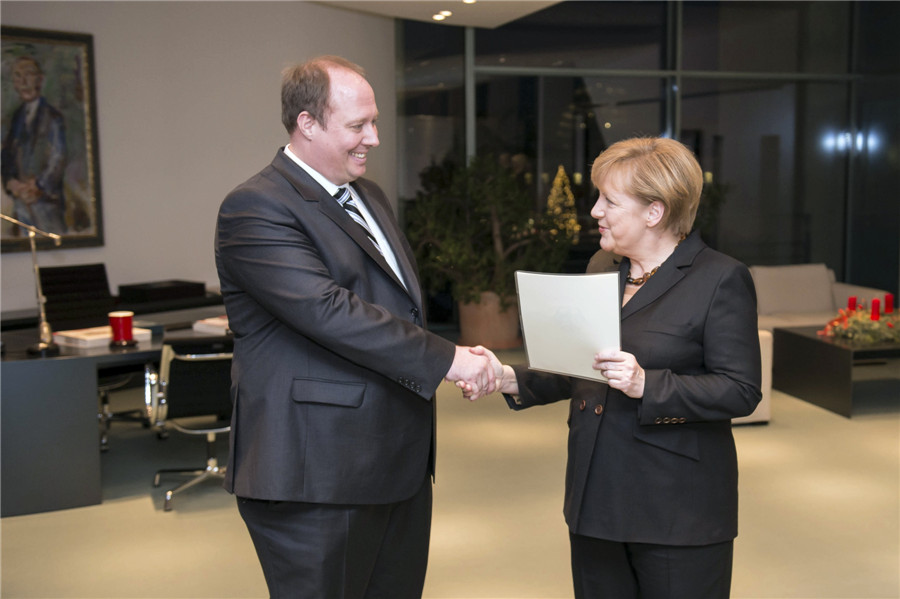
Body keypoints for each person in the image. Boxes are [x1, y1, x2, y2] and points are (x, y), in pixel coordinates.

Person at [215, 55, 496, 598]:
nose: (374, 137)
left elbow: (394, 306)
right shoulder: (256, 206)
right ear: (308, 124)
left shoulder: (371, 197)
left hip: (395, 464)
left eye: (374, 122)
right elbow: (329, 311)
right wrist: (452, 359)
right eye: (358, 125)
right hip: (316, 473)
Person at [463, 137, 762, 598]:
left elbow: (740, 389)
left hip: (676, 508)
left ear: (654, 212)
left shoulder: (720, 278)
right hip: (595, 496)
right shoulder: (604, 265)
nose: (595, 211)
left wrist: (648, 384)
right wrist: (509, 377)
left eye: (609, 200)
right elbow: (583, 359)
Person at [1, 55, 68, 234]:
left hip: (47, 206)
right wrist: (11, 183)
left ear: (40, 79)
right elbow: (6, 156)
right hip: (21, 205)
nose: (24, 82)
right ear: (14, 83)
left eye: (29, 74)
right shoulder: (15, 118)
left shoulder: (52, 117)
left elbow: (58, 158)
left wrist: (38, 185)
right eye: (18, 76)